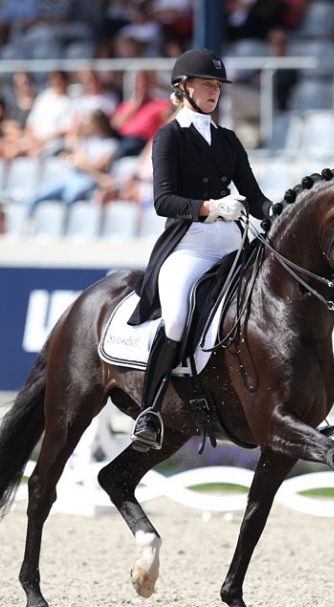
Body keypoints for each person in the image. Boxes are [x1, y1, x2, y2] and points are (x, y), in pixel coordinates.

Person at [126, 48, 277, 452]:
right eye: (207, 84)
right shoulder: (169, 137)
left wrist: (278, 210)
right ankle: (150, 411)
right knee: (176, 318)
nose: (214, 91)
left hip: (232, 246)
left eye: (217, 85)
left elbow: (254, 197)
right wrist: (209, 208)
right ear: (184, 87)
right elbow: (163, 201)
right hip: (190, 247)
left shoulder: (228, 140)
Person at [27, 109, 117, 212]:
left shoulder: (110, 144)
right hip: (74, 176)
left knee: (70, 196)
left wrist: (82, 163)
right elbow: (79, 160)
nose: (85, 126)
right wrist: (89, 168)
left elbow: (96, 166)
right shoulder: (84, 141)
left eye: (88, 123)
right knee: (35, 197)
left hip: (89, 181)